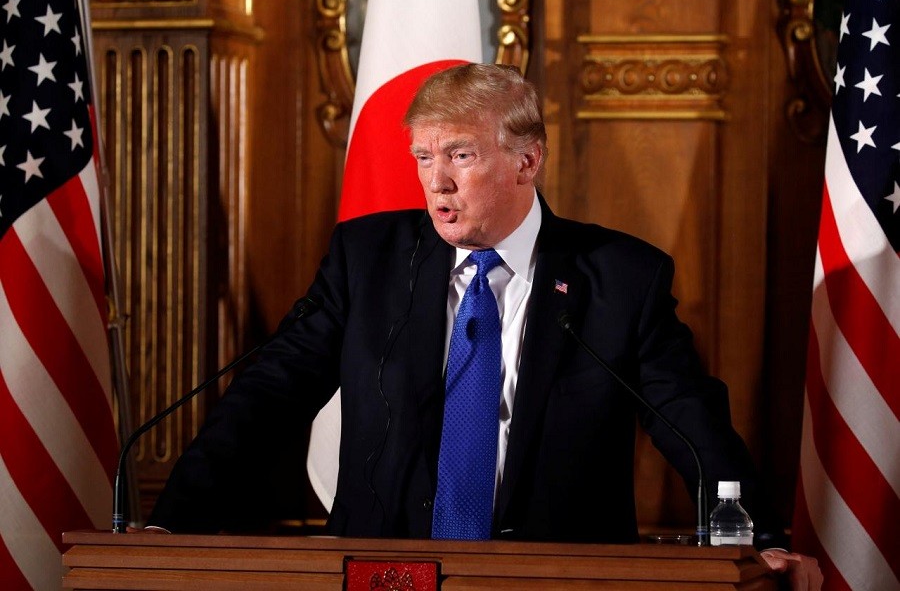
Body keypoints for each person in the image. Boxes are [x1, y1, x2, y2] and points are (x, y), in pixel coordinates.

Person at [146, 63, 822, 589]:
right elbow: (271, 393)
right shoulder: (368, 260)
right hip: (383, 578)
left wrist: (758, 534)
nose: (436, 182)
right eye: (423, 158)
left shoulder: (620, 278)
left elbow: (688, 420)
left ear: (527, 160)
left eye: (460, 156)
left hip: (558, 584)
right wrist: (172, 521)